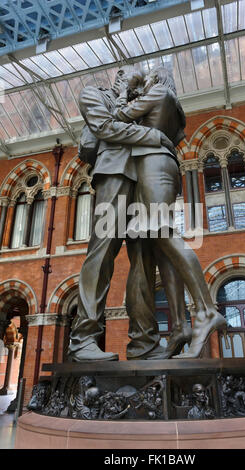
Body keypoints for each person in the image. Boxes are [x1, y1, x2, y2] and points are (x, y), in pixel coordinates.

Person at [114, 66, 228, 359]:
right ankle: (179, 325)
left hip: (152, 166)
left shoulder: (157, 92)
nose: (146, 80)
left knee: (163, 232)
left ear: (157, 79)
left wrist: (125, 91)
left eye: (149, 76)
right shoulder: (174, 107)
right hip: (165, 166)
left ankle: (204, 310)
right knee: (161, 246)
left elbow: (119, 118)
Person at [68, 67, 176, 362]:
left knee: (144, 260)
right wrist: (153, 137)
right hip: (113, 173)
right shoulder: (94, 94)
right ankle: (83, 339)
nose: (139, 86)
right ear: (118, 75)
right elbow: (104, 128)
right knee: (102, 252)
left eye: (143, 83)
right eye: (135, 79)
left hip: (144, 179)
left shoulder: (137, 106)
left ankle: (145, 343)